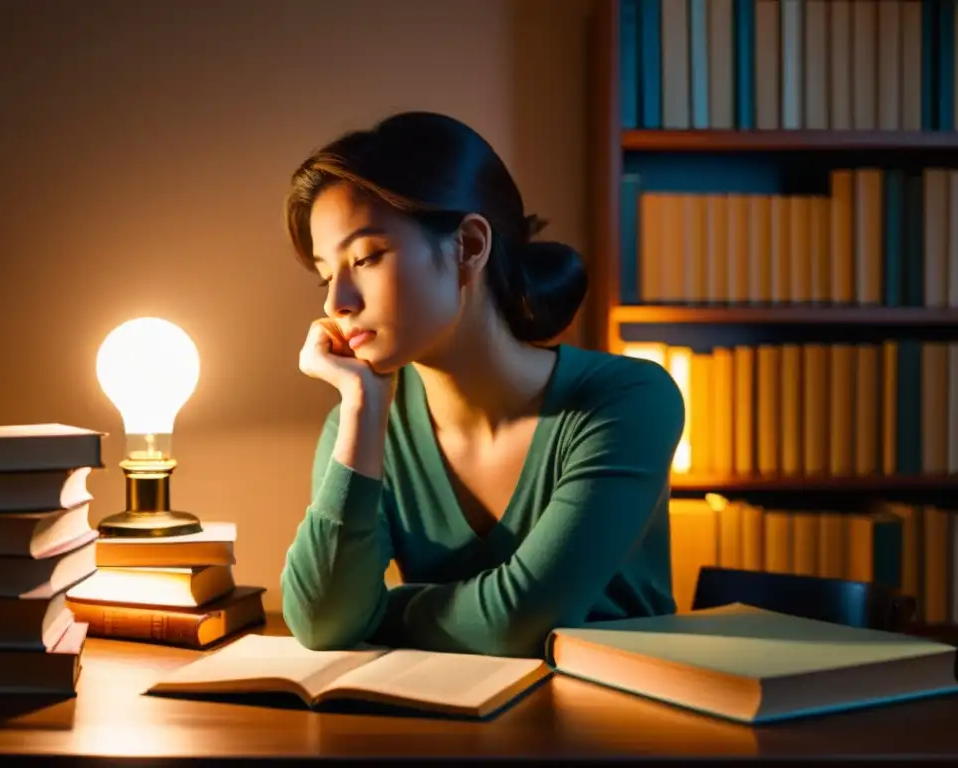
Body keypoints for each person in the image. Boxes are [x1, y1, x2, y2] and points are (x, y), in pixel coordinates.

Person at [280, 111, 685, 659]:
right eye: (328, 275)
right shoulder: (363, 430)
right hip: (443, 737)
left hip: (616, 732)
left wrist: (377, 613)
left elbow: (519, 623)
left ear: (469, 246)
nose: (336, 303)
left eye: (367, 257)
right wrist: (359, 408)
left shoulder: (628, 401)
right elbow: (323, 624)